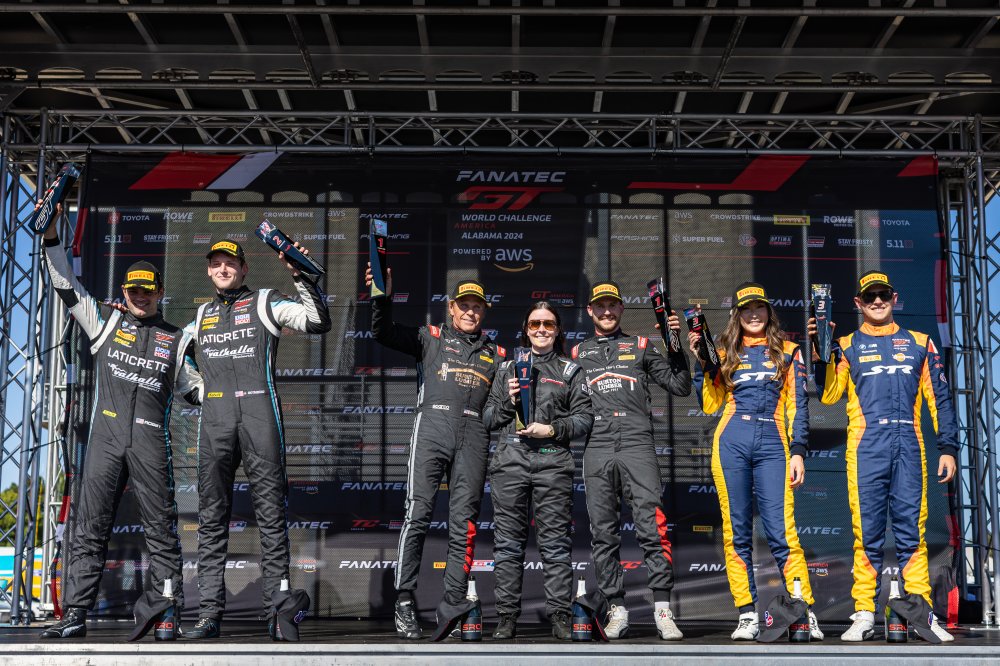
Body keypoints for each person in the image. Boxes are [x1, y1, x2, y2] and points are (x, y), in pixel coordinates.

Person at [38, 203, 202, 639]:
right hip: (105, 440)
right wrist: (51, 235)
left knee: (162, 531)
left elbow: (199, 390)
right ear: (124, 291)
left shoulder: (178, 339)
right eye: (133, 290)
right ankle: (75, 614)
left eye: (147, 289)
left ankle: (167, 613)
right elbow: (64, 282)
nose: (140, 296)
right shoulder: (105, 322)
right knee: (89, 528)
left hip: (151, 441)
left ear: (160, 291)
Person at [184, 239, 331, 640]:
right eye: (216, 263)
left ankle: (276, 611)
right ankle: (209, 614)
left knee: (270, 517)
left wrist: (301, 277)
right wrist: (197, 390)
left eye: (230, 263)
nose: (223, 269)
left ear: (244, 268)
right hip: (215, 422)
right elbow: (173, 353)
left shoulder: (266, 302)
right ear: (208, 270)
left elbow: (317, 321)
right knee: (211, 518)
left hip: (259, 417)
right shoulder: (201, 315)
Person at [809, 270, 958, 643]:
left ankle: (921, 612)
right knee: (867, 534)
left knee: (912, 533)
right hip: (866, 445)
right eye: (869, 296)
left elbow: (940, 399)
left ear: (894, 298)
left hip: (909, 442)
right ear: (858, 303)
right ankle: (863, 613)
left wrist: (948, 447)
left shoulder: (921, 343)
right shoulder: (845, 345)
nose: (877, 301)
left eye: (883, 295)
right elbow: (828, 396)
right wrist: (821, 356)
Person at [364, 264, 505, 639]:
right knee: (418, 514)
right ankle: (404, 600)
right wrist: (382, 296)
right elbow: (382, 332)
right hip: (431, 429)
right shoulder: (430, 337)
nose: (470, 311)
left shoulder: (496, 354)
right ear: (452, 308)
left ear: (484, 311)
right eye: (464, 305)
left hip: (474, 436)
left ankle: (453, 602)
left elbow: (501, 408)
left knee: (464, 524)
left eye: (477, 306)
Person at [689, 283, 823, 641]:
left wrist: (798, 451)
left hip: (774, 442)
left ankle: (803, 609)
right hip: (731, 440)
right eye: (746, 308)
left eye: (759, 308)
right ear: (737, 314)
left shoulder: (789, 351)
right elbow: (709, 404)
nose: (753, 314)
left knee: (782, 532)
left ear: (768, 312)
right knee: (736, 532)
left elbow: (798, 406)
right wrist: (703, 365)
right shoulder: (722, 351)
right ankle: (747, 613)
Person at [570, 281, 690, 640]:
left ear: (621, 309)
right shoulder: (577, 353)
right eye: (600, 306)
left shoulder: (640, 345)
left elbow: (680, 386)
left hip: (637, 442)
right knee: (603, 534)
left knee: (652, 527)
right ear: (590, 311)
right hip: (597, 445)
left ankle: (663, 611)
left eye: (613, 305)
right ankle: (617, 610)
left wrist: (675, 344)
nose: (607, 311)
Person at [483, 301, 593, 640]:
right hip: (510, 462)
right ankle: (506, 617)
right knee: (507, 545)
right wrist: (508, 401)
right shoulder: (506, 369)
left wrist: (553, 429)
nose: (541, 329)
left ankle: (560, 616)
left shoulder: (570, 370)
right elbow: (488, 419)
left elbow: (584, 419)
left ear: (558, 330)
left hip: (552, 462)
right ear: (526, 329)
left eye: (548, 324)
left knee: (556, 545)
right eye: (535, 324)